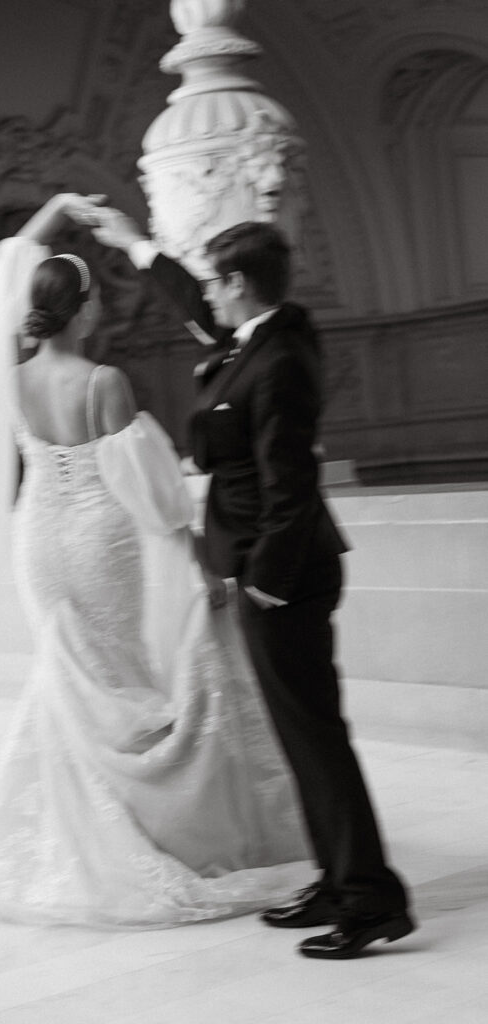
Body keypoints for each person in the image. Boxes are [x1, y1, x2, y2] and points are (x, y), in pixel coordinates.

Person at [0, 193, 309, 929]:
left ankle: (66, 833)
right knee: (118, 675)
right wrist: (202, 563)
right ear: (79, 311)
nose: (102, 312)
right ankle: (137, 827)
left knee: (67, 676)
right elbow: (151, 496)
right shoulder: (104, 384)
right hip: (98, 539)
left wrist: (53, 211)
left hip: (37, 540)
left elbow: (6, 260)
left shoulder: (7, 379)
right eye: (97, 301)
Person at [89, 208, 415, 957]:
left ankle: (369, 900)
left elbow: (291, 484)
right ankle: (337, 879)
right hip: (265, 571)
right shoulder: (257, 337)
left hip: (286, 579)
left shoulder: (279, 360)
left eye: (216, 281)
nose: (209, 295)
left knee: (315, 737)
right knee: (301, 737)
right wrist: (132, 243)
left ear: (239, 283)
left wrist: (264, 579)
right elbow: (197, 310)